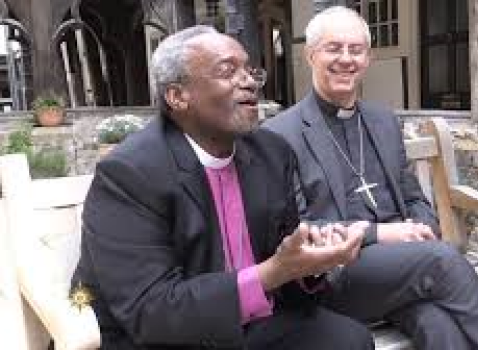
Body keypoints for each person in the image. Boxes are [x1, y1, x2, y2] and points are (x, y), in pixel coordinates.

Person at [71, 25, 375, 350]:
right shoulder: (129, 174)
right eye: (227, 70)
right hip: (163, 335)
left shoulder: (271, 153)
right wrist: (272, 272)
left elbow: (284, 261)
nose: (247, 81)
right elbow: (152, 311)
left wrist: (310, 264)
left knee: (349, 340)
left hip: (246, 323)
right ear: (177, 96)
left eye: (249, 70)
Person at [263, 6, 478, 350]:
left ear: (368, 59)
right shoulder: (280, 133)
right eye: (334, 48)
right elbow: (300, 228)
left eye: (356, 50)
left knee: (438, 324)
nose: (346, 59)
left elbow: (413, 195)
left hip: (403, 270)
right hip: (337, 274)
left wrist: (419, 227)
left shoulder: (383, 120)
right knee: (441, 260)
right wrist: (382, 234)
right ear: (311, 55)